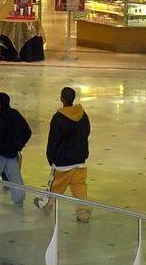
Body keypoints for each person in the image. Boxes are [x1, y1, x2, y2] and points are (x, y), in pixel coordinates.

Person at [40, 86, 91, 222]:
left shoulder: (58, 118)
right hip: (79, 159)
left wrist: (51, 158)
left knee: (56, 185)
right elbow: (86, 133)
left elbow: (53, 140)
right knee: (79, 187)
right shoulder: (83, 115)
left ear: (61, 98)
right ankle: (83, 213)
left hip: (63, 161)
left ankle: (46, 205)